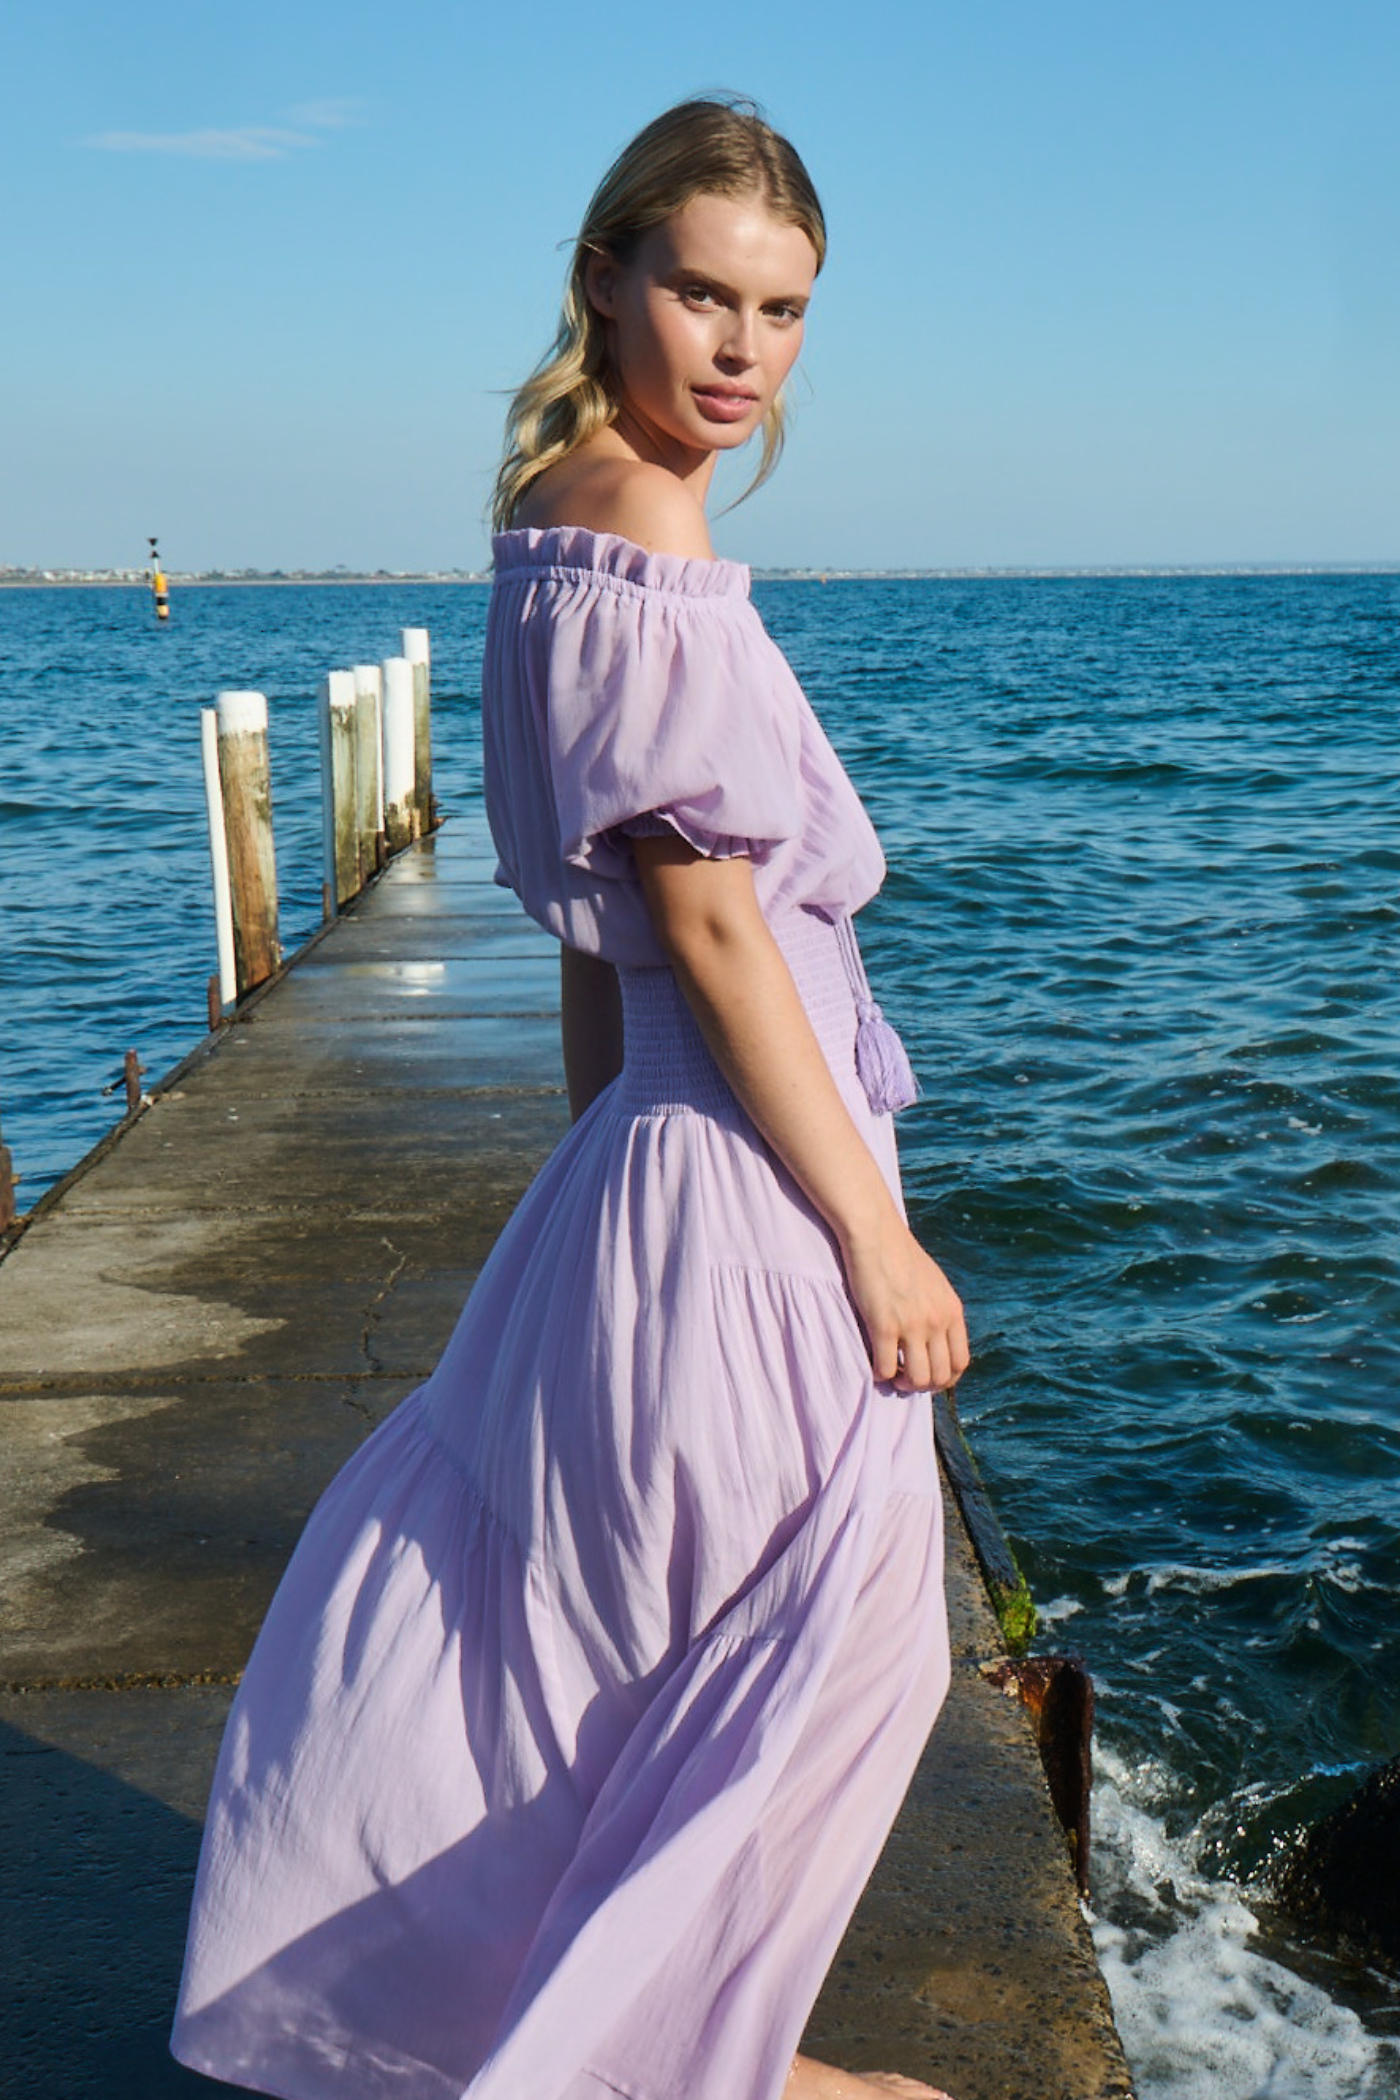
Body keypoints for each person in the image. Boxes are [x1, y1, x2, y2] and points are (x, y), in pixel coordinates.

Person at [172, 95, 969, 2100]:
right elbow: (698, 927)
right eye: (699, 289)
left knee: (658, 1638)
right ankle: (709, 2065)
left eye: (778, 312)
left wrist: (595, 1155)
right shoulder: (651, 531)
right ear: (604, 274)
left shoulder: (557, 515)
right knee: (827, 1638)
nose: (738, 348)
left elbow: (586, 936)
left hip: (674, 1156)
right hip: (758, 1176)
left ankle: (691, 2041)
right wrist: (872, 1238)